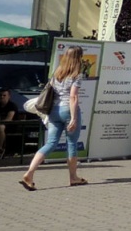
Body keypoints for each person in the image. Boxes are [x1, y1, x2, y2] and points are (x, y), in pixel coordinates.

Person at [19, 46, 87, 191]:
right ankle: (73, 177)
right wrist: (74, 118)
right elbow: (73, 97)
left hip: (53, 111)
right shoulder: (77, 75)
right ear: (78, 58)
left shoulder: (57, 73)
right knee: (72, 144)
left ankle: (29, 173)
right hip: (67, 110)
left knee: (50, 143)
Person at [0, 89, 18, 159]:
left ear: (9, 96)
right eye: (0, 95)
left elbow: (9, 119)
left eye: (4, 95)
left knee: (1, 127)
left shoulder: (12, 106)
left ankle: (0, 149)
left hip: (10, 126)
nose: (2, 97)